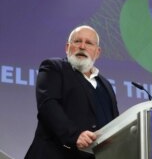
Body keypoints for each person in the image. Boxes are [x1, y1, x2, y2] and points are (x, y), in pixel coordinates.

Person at [25, 25, 119, 159]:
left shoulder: (106, 85)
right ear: (67, 47)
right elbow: (48, 105)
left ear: (97, 52)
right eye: (77, 41)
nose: (82, 46)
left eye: (88, 43)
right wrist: (75, 135)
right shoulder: (54, 67)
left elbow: (114, 123)